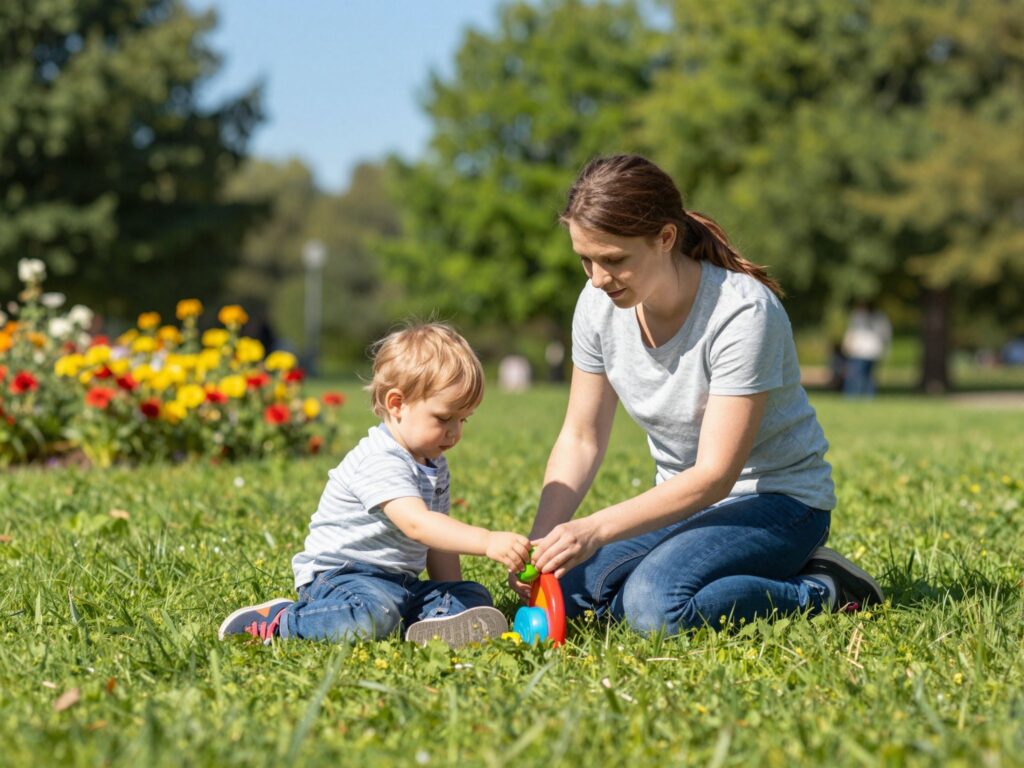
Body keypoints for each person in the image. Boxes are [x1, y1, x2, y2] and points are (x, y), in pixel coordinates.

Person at [511, 155, 883, 635]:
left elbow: (714, 477)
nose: (597, 278)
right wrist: (540, 545)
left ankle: (823, 588)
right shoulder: (596, 305)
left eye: (615, 260)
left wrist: (594, 529)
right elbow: (581, 437)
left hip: (779, 503)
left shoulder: (742, 313)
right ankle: (704, 580)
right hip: (680, 504)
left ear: (665, 238)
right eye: (585, 259)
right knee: (568, 592)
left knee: (653, 608)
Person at [220, 323, 530, 647]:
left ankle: (425, 625)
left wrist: (452, 594)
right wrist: (486, 541)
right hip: (342, 578)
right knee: (374, 613)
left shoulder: (434, 463)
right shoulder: (380, 459)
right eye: (443, 418)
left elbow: (438, 544)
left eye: (462, 419)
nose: (455, 432)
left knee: (473, 595)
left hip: (399, 584)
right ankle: (282, 620)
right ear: (396, 404)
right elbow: (418, 524)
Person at [841, 300, 892, 397]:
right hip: (859, 351)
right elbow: (852, 332)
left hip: (871, 351)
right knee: (857, 376)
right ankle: (853, 396)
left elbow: (886, 334)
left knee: (867, 376)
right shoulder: (858, 316)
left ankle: (866, 396)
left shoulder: (879, 318)